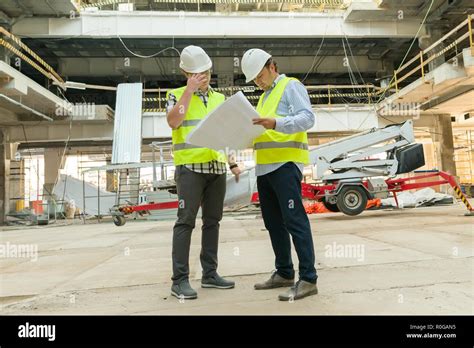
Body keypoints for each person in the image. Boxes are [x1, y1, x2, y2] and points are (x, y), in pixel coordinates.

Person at [241, 48, 318, 301]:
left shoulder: (290, 86)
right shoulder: (263, 98)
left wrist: (276, 123)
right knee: (273, 224)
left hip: (285, 165)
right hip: (264, 169)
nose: (258, 81)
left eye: (260, 75)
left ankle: (308, 279)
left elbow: (307, 118)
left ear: (272, 66)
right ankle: (284, 272)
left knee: (295, 221)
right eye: (254, 79)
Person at [166, 45, 241, 299]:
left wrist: (232, 162)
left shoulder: (219, 99)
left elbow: (225, 135)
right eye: (197, 73)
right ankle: (180, 280)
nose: (204, 77)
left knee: (213, 222)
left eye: (206, 72)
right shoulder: (175, 94)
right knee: (185, 222)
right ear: (186, 72)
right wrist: (189, 91)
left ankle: (210, 274)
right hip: (190, 169)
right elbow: (174, 121)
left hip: (216, 168)